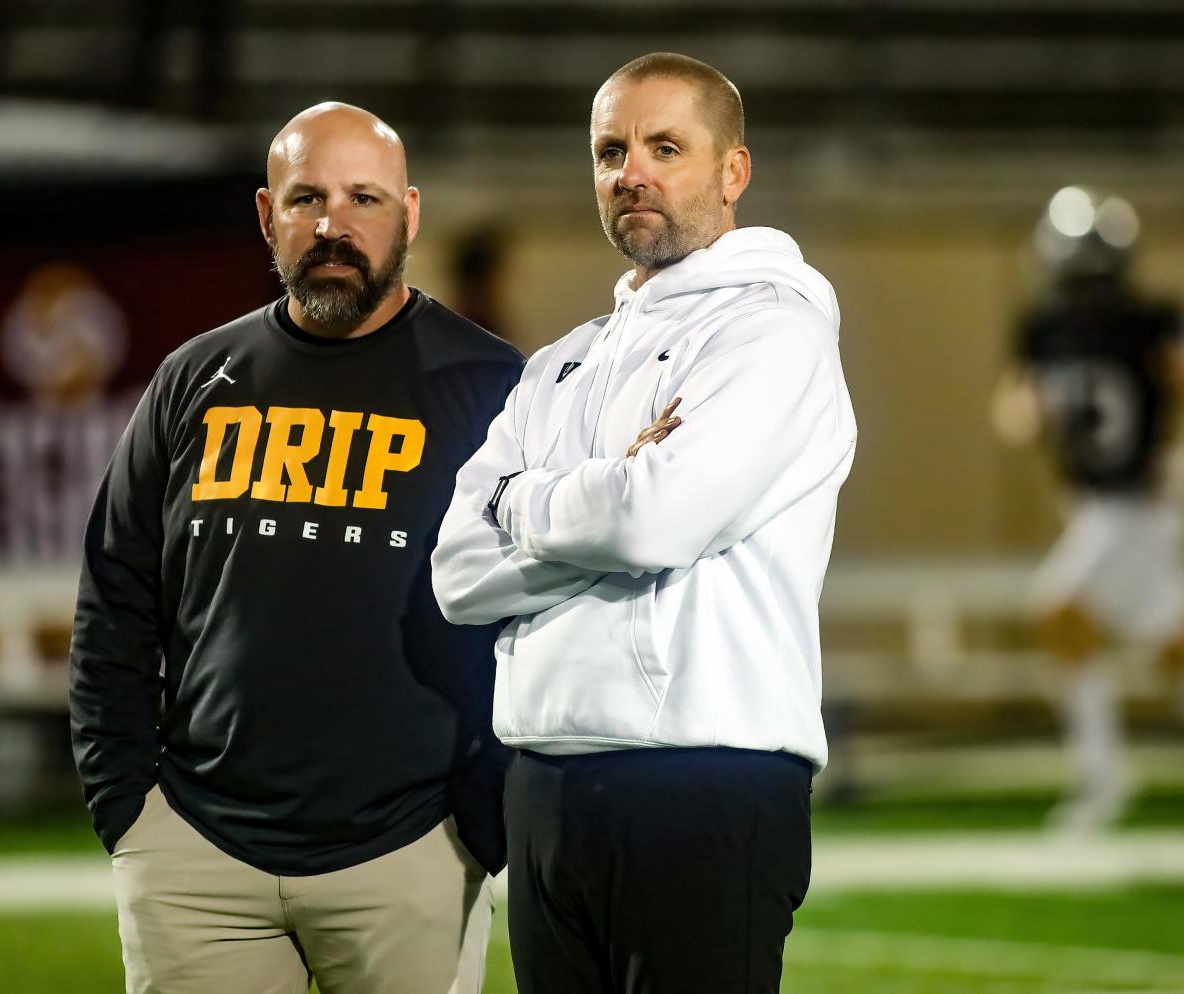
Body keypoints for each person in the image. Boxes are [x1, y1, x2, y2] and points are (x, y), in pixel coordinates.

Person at [69, 102, 523, 994]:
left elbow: (545, 605)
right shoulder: (193, 378)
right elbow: (116, 596)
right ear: (266, 213)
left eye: (365, 198)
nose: (333, 225)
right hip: (197, 858)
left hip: (412, 854)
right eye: (307, 196)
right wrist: (128, 805)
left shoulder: (494, 386)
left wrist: (482, 815)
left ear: (411, 214)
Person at [432, 53, 857, 994]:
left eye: (667, 147)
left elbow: (653, 524)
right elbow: (457, 571)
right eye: (611, 150)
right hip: (541, 779)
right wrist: (603, 491)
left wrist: (529, 501)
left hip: (703, 780)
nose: (634, 173)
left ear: (732, 172)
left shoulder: (773, 331)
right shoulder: (562, 363)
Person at [992, 186, 1184, 832]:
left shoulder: (1062, 327)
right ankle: (1104, 776)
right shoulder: (1126, 320)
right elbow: (1019, 411)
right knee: (1169, 642)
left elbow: (1015, 415)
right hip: (1107, 503)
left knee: (1058, 609)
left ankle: (1103, 777)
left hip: (1135, 500)